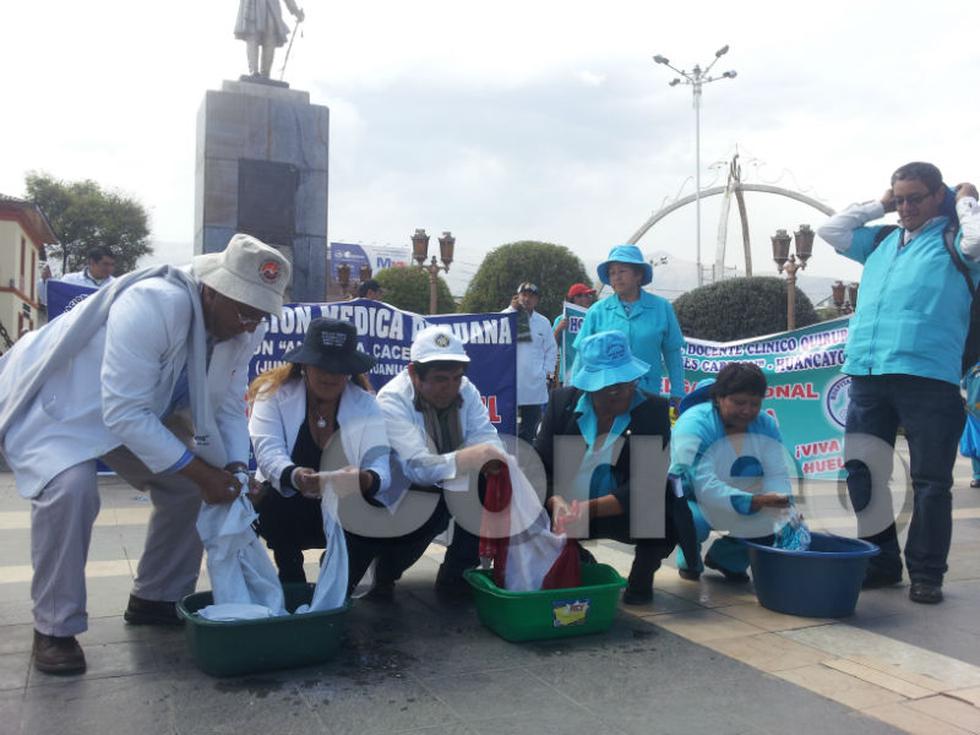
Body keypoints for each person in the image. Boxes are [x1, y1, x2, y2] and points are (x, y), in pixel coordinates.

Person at [0, 233, 291, 675]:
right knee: (71, 489)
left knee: (191, 488)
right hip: (65, 405)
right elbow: (123, 412)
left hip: (145, 408)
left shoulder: (243, 325)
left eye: (259, 312)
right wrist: (206, 474)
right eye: (245, 310)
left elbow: (228, 405)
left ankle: (156, 597)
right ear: (213, 290)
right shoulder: (155, 303)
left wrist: (234, 468)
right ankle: (54, 628)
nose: (251, 323)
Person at [816, 162, 980, 604]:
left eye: (915, 198)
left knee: (931, 481)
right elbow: (830, 230)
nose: (905, 207)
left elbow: (977, 238)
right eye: (900, 198)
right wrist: (880, 204)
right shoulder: (882, 240)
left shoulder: (956, 240)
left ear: (937, 196)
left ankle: (927, 573)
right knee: (862, 472)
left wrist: (965, 200)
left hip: (929, 377)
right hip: (868, 374)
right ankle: (881, 561)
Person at [535, 330, 697, 605]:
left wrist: (588, 509)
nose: (622, 392)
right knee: (522, 503)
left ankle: (641, 580)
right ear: (589, 386)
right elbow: (539, 467)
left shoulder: (653, 410)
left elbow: (646, 484)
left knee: (663, 512)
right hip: (566, 507)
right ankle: (577, 558)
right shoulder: (562, 404)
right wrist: (556, 501)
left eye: (627, 383)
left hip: (621, 508)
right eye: (611, 387)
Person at [345, 325, 507, 601]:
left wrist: (493, 458)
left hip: (444, 484)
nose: (451, 387)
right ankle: (379, 572)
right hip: (398, 495)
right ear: (413, 373)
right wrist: (469, 457)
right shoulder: (391, 400)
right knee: (411, 529)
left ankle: (457, 575)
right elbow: (417, 468)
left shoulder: (465, 389)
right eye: (440, 379)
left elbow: (485, 435)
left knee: (487, 480)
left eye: (456, 377)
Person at [248, 318, 391, 583]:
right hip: (287, 510)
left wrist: (364, 478)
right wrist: (296, 476)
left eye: (339, 368)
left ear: (350, 369)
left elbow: (381, 465)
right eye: (322, 365)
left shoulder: (367, 405)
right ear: (304, 365)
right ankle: (290, 573)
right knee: (274, 495)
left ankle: (338, 578)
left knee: (378, 507)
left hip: (341, 507)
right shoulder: (273, 395)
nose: (330, 374)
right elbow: (267, 453)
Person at [669, 363, 792, 582]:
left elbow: (777, 472)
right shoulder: (693, 425)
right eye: (739, 402)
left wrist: (781, 501)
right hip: (690, 497)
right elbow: (702, 484)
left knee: (773, 518)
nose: (747, 410)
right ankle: (689, 555)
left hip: (742, 494)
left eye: (755, 403)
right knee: (692, 522)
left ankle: (726, 558)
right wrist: (753, 501)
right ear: (718, 398)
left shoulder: (766, 425)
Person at [574, 245, 685, 410]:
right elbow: (582, 355)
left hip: (648, 396)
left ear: (638, 275)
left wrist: (678, 393)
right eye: (612, 273)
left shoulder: (662, 308)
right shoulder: (596, 311)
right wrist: (573, 393)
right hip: (605, 399)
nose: (616, 277)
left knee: (646, 436)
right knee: (608, 436)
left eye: (622, 271)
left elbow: (672, 354)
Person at [503, 282, 557, 443]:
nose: (527, 299)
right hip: (510, 382)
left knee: (529, 429)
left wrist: (546, 373)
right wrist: (512, 311)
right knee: (507, 428)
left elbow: (551, 349)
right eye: (524, 295)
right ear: (517, 296)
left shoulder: (543, 322)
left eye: (531, 296)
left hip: (534, 383)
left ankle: (526, 461)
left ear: (537, 300)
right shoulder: (506, 316)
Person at [235, 0, 305, 78]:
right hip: (252, 4)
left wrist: (295, 11)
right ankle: (254, 71)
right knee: (253, 36)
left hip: (271, 6)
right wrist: (296, 11)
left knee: (270, 38)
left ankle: (265, 73)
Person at [552, 283, 597, 385]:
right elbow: (551, 347)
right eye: (582, 295)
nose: (587, 298)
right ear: (573, 299)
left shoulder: (594, 317)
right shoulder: (561, 319)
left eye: (588, 295)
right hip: (568, 374)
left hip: (591, 374)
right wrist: (558, 329)